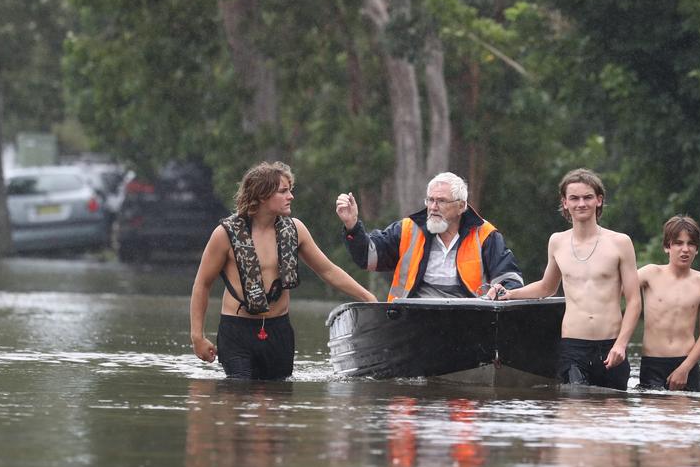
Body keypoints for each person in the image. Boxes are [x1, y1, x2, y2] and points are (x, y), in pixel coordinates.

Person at [190, 161, 377, 380]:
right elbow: (202, 284)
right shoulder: (225, 234)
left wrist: (368, 297)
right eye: (283, 191)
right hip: (237, 331)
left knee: (277, 402)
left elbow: (328, 271)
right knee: (238, 395)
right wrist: (197, 337)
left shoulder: (295, 230)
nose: (291, 196)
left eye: (290, 190)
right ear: (262, 195)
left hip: (278, 330)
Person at [487, 168, 640, 390]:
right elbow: (547, 287)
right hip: (573, 346)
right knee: (574, 412)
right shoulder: (557, 242)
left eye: (588, 197)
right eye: (574, 198)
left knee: (612, 418)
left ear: (599, 200)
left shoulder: (620, 243)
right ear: (565, 203)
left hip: (611, 345)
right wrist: (509, 293)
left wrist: (621, 345)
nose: (581, 204)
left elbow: (634, 300)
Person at [335, 172, 524, 300]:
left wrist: (501, 290)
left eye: (441, 201)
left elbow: (511, 279)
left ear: (461, 206)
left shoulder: (485, 234)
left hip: (470, 319)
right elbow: (367, 258)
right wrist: (352, 225)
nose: (433, 207)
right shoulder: (408, 229)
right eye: (430, 200)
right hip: (410, 320)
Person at [637, 215, 700, 392]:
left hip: (687, 364)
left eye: (691, 244)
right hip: (652, 364)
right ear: (667, 246)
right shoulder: (650, 273)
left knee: (685, 420)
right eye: (678, 243)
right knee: (653, 419)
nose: (685, 249)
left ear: (697, 249)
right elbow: (614, 290)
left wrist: (684, 368)